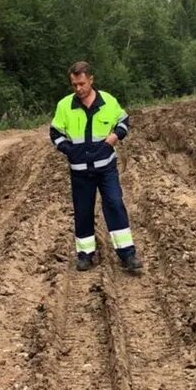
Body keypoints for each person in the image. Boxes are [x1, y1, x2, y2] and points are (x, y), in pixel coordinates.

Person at [50, 61, 142, 272]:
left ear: (91, 79)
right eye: (74, 85)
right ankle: (85, 255)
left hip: (106, 168)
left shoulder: (108, 101)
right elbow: (55, 133)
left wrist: (114, 138)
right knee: (83, 211)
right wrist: (68, 149)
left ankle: (127, 254)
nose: (78, 89)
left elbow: (123, 121)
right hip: (80, 171)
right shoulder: (65, 106)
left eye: (81, 84)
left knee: (115, 204)